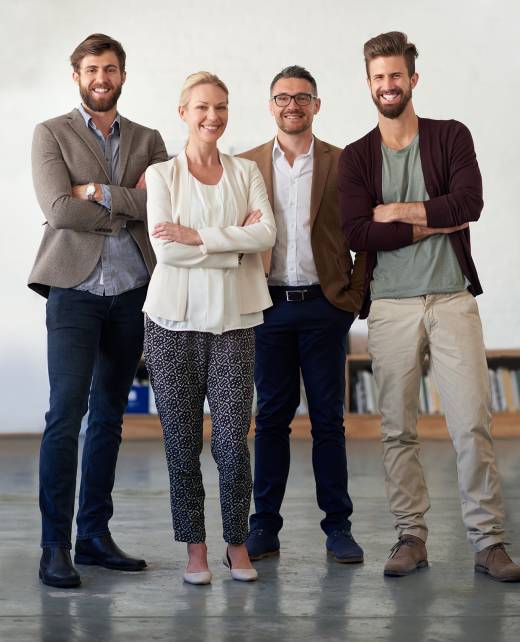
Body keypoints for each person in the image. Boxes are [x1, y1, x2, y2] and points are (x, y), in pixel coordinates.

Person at [340, 31, 520, 581]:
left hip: (452, 297)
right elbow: (357, 231)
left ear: (413, 80)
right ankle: (410, 537)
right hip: (390, 306)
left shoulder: (450, 137)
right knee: (397, 429)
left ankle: (488, 542)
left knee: (472, 424)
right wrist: (429, 223)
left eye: (396, 76)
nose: (388, 85)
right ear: (368, 84)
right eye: (379, 77)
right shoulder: (356, 157)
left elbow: (470, 204)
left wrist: (396, 211)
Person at [29, 33, 168, 588]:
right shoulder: (51, 133)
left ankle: (93, 537)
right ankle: (52, 547)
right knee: (65, 414)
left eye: (110, 68)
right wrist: (123, 201)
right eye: (92, 69)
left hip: (133, 290)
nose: (101, 77)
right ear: (77, 76)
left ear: (123, 75)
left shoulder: (148, 137)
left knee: (109, 416)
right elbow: (58, 209)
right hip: (73, 289)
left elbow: (162, 202)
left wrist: (98, 192)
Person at [143, 72, 276, 585]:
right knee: (181, 446)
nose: (213, 117)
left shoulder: (245, 171)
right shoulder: (162, 175)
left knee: (231, 443)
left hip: (234, 323)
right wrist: (234, 246)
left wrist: (199, 236)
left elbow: (267, 232)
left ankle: (235, 545)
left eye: (221, 107)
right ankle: (195, 550)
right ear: (183, 112)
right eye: (202, 107)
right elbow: (166, 250)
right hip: (170, 324)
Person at [240, 66, 366, 563]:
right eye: (282, 97)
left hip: (324, 308)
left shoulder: (345, 162)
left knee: (328, 423)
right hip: (267, 309)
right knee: (270, 420)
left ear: (318, 104)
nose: (292, 105)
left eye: (302, 97)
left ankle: (338, 527)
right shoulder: (245, 164)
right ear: (271, 105)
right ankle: (264, 527)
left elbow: (365, 234)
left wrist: (351, 300)